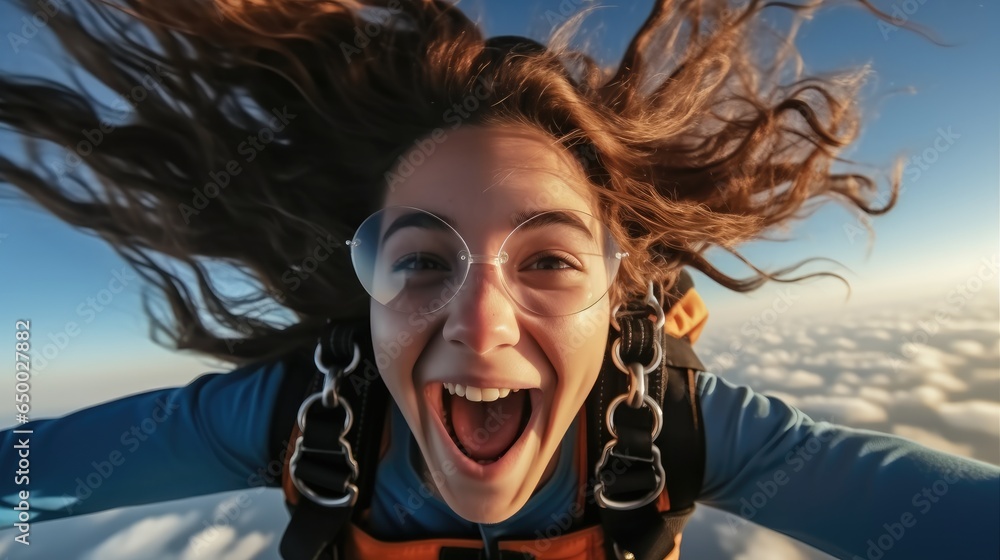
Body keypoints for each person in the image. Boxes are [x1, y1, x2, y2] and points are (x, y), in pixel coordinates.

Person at [0, 0, 997, 558]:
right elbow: (24, 480)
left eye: (552, 260)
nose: (479, 323)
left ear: (617, 291)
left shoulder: (677, 424)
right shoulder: (303, 414)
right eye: (423, 260)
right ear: (370, 288)